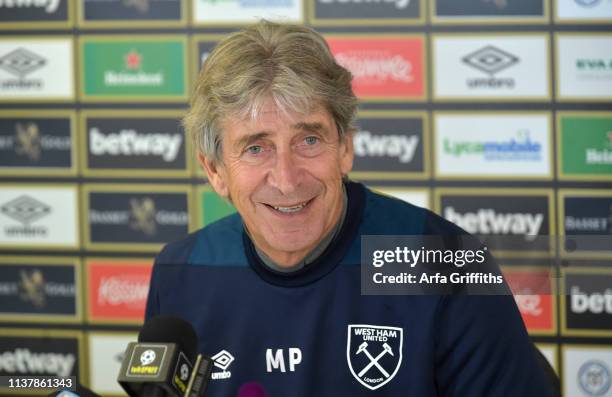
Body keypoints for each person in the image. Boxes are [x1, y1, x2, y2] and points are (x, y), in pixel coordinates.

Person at [145, 20, 554, 396]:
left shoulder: (443, 263)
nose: (286, 179)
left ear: (345, 148)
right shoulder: (182, 273)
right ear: (215, 170)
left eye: (308, 141)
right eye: (256, 148)